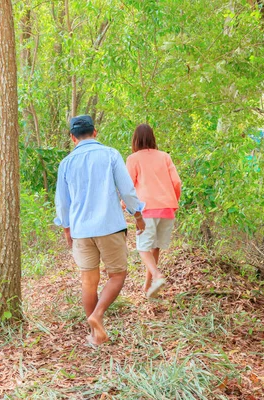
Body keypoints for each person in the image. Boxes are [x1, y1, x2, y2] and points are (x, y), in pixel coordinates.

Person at [54, 115, 146, 346]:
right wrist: (138, 215)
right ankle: (97, 315)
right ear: (95, 132)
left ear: (72, 137)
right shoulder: (110, 155)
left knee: (88, 281)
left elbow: (62, 202)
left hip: (81, 230)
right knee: (117, 275)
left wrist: (67, 229)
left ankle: (96, 335)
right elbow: (127, 190)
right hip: (110, 227)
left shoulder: (66, 163)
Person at [126, 124, 181, 298]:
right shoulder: (165, 156)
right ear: (153, 138)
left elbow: (128, 186)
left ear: (135, 140)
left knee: (142, 248)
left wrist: (124, 203)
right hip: (167, 208)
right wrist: (173, 201)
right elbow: (177, 182)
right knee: (155, 247)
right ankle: (148, 287)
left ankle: (157, 276)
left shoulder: (133, 158)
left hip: (147, 209)